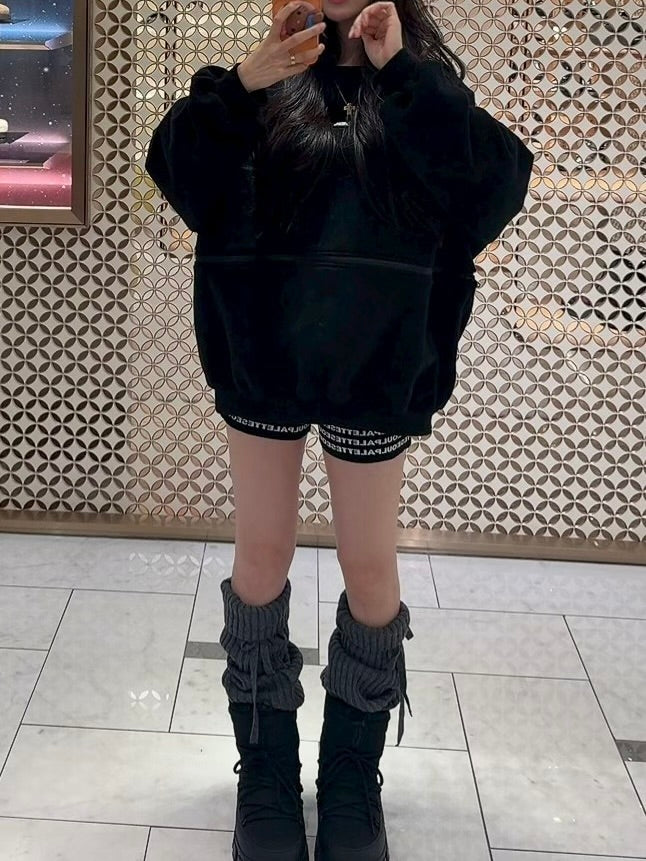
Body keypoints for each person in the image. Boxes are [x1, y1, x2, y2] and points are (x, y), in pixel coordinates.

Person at [145, 1, 534, 859]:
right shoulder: (256, 84)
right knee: (261, 556)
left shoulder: (416, 88)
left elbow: (494, 190)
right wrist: (244, 81)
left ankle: (352, 772)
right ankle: (266, 770)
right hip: (263, 356)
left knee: (369, 564)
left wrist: (404, 75)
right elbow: (180, 179)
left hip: (375, 368)